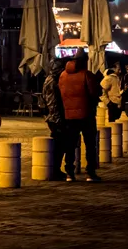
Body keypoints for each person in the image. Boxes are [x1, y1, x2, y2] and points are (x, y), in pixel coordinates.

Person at [59, 53, 102, 182]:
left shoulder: (63, 75)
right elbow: (94, 92)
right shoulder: (86, 75)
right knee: (90, 144)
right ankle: (90, 173)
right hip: (86, 114)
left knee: (70, 144)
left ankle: (69, 173)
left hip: (69, 115)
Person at [41, 60, 67, 179]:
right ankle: (55, 170)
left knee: (59, 143)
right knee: (59, 144)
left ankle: (55, 169)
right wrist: (59, 119)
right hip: (56, 118)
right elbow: (54, 103)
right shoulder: (53, 81)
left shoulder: (49, 79)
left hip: (52, 117)